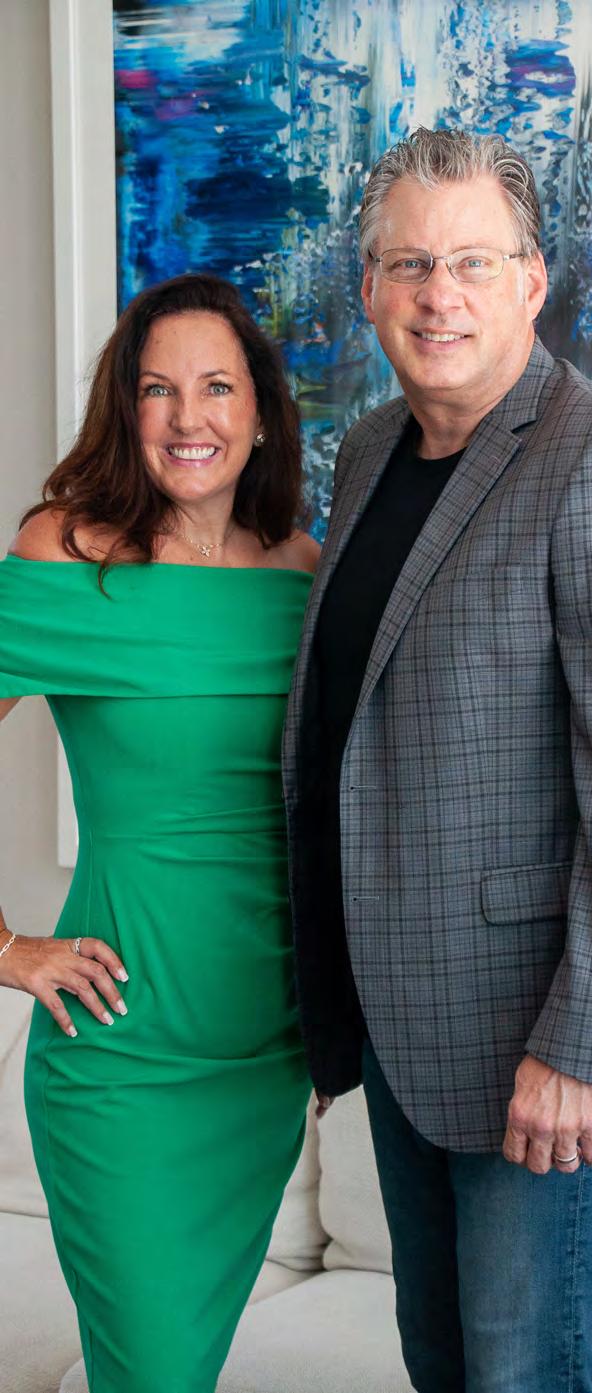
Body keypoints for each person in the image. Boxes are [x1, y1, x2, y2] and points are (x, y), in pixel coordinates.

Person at [282, 127, 592, 1391]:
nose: (441, 295)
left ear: (530, 281)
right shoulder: (370, 449)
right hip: (400, 1021)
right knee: (438, 1364)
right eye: (411, 264)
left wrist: (584, 1044)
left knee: (519, 1376)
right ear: (369, 287)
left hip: (535, 1045)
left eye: (473, 261)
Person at [0, 271, 319, 1393]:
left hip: (262, 1060)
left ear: (260, 411)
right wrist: (6, 948)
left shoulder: (300, 569)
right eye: (158, 389)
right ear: (124, 408)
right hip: (120, 1058)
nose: (190, 417)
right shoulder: (66, 556)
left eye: (217, 386)